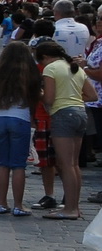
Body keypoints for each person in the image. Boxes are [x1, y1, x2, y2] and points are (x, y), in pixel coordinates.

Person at [35, 40, 95, 220]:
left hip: (62, 114)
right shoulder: (75, 68)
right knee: (74, 164)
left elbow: (49, 99)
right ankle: (74, 206)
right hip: (79, 113)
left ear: (45, 57)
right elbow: (92, 95)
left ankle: (69, 209)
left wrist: (39, 93)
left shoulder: (51, 69)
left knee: (65, 164)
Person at [0, 42, 42, 216]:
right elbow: (35, 99)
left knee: (3, 163)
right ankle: (18, 205)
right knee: (18, 165)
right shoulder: (29, 75)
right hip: (20, 117)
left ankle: (2, 203)